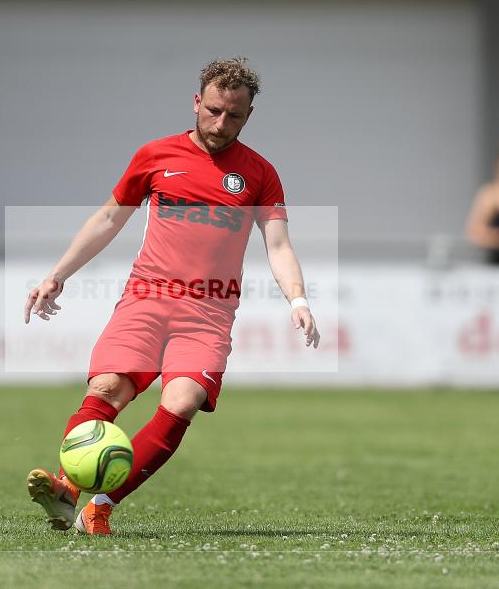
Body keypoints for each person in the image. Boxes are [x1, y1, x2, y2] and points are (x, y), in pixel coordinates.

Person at [23, 57, 320, 535]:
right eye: (215, 110)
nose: (222, 123)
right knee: (107, 390)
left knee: (182, 400)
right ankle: (66, 489)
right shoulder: (155, 156)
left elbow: (278, 243)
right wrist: (58, 274)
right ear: (197, 102)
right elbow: (108, 219)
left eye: (235, 116)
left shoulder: (260, 174)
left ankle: (99, 506)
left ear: (248, 116)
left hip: (209, 310)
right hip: (146, 297)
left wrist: (299, 301)